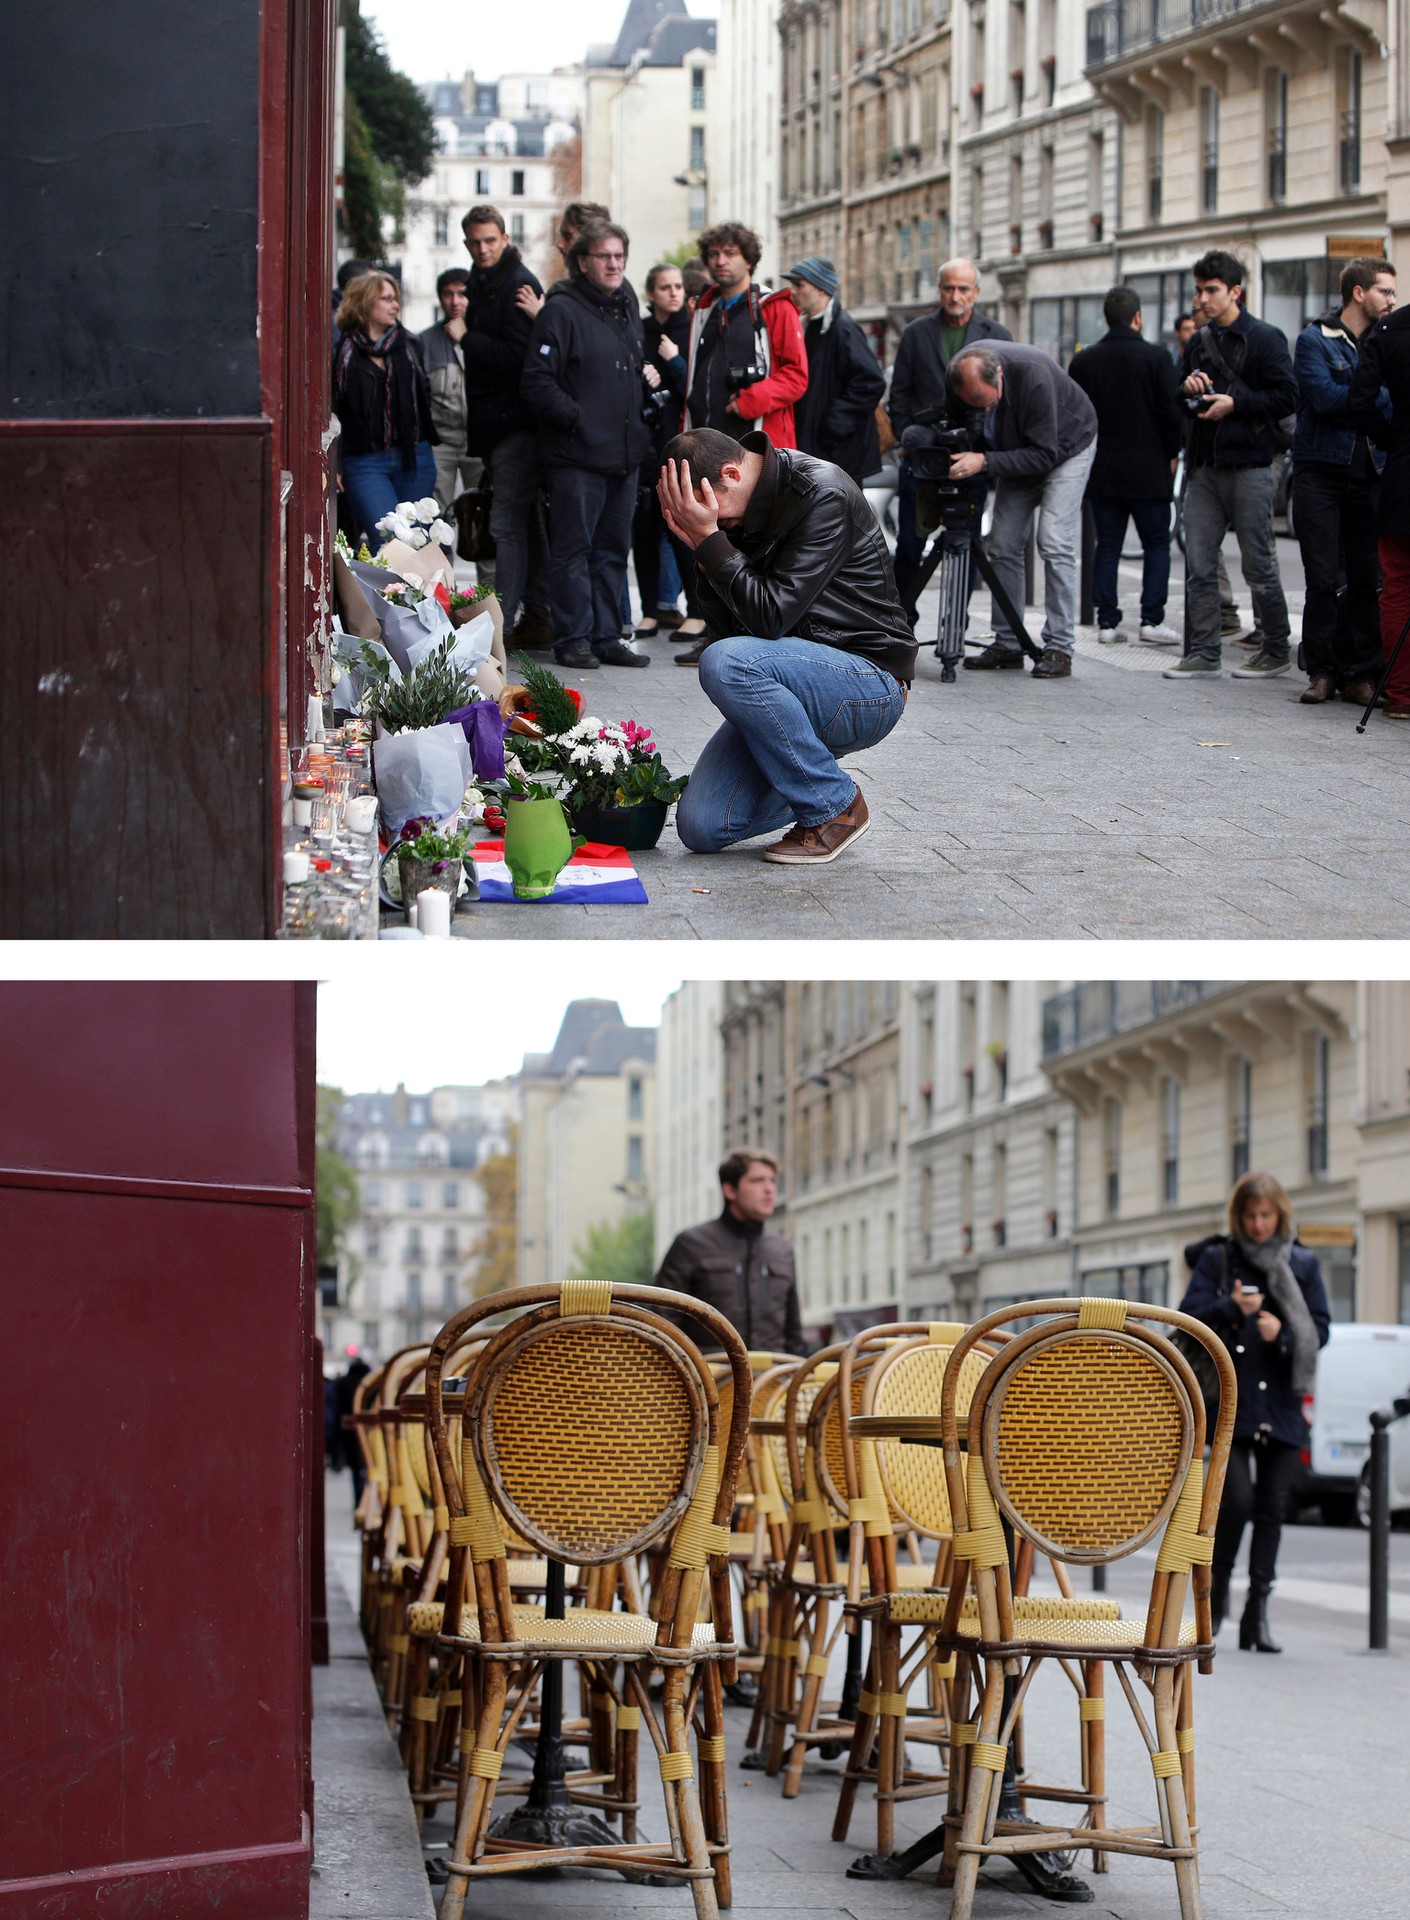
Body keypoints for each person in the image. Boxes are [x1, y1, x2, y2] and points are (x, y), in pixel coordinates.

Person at [657, 425, 915, 864]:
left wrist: (710, 541)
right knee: (701, 826)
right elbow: (730, 631)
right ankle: (809, 775)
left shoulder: (821, 494)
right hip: (792, 679)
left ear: (731, 474)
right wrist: (706, 558)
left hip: (867, 681)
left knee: (724, 662)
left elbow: (770, 618)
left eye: (713, 513)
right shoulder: (735, 511)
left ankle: (835, 807)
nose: (716, 525)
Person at [1178, 1171, 1330, 1652]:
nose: (1259, 1224)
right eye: (1251, 1215)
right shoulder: (1219, 1259)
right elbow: (1188, 1317)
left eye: (1266, 1215)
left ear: (1280, 1214)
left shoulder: (1301, 1264)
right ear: (1239, 1217)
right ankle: (1217, 1598)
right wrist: (1231, 1307)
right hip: (1233, 1401)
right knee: (1236, 1502)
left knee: (1272, 1510)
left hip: (1282, 1403)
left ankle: (1256, 1615)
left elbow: (1320, 1329)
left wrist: (1281, 1336)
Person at [520, 219, 655, 671]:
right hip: (576, 456)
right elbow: (537, 383)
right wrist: (579, 419)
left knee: (614, 551)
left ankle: (606, 635)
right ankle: (573, 638)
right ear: (583, 262)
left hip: (623, 454)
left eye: (620, 256)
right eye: (605, 256)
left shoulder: (626, 303)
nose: (614, 264)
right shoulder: (561, 310)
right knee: (573, 550)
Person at [674, 222, 810, 663]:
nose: (720, 260)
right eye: (713, 253)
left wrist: (750, 399)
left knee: (755, 541)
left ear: (748, 258)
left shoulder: (774, 306)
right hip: (708, 442)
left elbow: (796, 375)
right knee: (706, 533)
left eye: (729, 252)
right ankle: (716, 629)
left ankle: (749, 631)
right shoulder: (705, 308)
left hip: (753, 446)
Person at [1164, 249, 1298, 681]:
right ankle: (1204, 651)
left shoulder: (1266, 338)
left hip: (1251, 465)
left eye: (1211, 291)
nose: (1201, 299)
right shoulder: (1198, 342)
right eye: (1199, 290)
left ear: (1235, 292)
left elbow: (1287, 397)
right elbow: (1182, 403)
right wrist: (1188, 390)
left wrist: (1235, 404)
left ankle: (1276, 648)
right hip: (1205, 465)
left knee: (1258, 562)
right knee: (1200, 562)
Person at [945, 343, 1098, 678]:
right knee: (1002, 544)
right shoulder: (958, 377)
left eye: (986, 403)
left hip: (1067, 448)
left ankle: (1060, 647)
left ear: (999, 376)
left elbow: (1044, 455)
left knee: (1054, 542)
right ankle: (1008, 642)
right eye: (973, 406)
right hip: (1013, 452)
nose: (982, 413)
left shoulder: (1034, 377)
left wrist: (984, 460)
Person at [1292, 257, 1396, 706]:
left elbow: (1393, 402)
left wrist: (1356, 397)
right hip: (1320, 472)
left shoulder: (1389, 342)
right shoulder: (1315, 338)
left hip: (1371, 473)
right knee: (1321, 577)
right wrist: (1366, 398)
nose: (1392, 300)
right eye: (1385, 291)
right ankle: (1320, 671)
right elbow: (1322, 396)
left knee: (1366, 578)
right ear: (1359, 293)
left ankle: (1360, 673)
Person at [887, 260, 1012, 609]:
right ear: (940, 289)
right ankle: (900, 629)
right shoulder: (916, 332)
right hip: (922, 456)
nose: (955, 296)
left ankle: (957, 624)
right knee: (910, 546)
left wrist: (986, 450)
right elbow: (899, 393)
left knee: (966, 546)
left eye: (963, 289)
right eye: (948, 288)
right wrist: (907, 437)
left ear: (976, 292)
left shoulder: (997, 335)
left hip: (969, 457)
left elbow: (1004, 399)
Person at [1067, 285, 1185, 644]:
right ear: (1138, 317)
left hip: (1103, 471)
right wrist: (1172, 453)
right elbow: (1171, 414)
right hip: (1149, 470)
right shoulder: (1157, 358)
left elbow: (1076, 416)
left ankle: (1107, 622)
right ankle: (1151, 620)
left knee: (1107, 546)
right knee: (1156, 544)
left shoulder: (1085, 361)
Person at [460, 203, 551, 647]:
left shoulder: (517, 283)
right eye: (475, 242)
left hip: (516, 424)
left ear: (505, 239)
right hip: (500, 425)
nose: (482, 248)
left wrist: (466, 338)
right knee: (522, 523)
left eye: (490, 240)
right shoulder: (484, 283)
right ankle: (533, 614)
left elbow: (519, 359)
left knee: (507, 524)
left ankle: (504, 620)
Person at [654, 1150, 802, 1355]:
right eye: (758, 1181)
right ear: (730, 1190)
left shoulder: (782, 1250)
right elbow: (662, 1322)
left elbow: (793, 1332)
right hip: (707, 1377)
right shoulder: (691, 1244)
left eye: (772, 1181)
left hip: (772, 1379)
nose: (769, 1189)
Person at [331, 270, 437, 552]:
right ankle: (389, 598)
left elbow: (423, 394)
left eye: (396, 299)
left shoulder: (410, 343)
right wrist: (336, 463)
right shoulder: (343, 351)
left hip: (413, 457)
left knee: (417, 543)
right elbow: (335, 408)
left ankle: (417, 598)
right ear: (365, 303)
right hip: (365, 461)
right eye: (387, 299)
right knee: (387, 543)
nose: (395, 305)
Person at [1350, 288, 1410, 718]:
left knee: (1398, 584)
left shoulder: (1389, 329)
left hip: (1404, 472)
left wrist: (1392, 439)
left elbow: (1360, 401)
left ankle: (1402, 692)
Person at [784, 256, 886, 485]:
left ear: (821, 290)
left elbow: (871, 382)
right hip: (822, 447)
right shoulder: (809, 325)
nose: (793, 291)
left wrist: (834, 424)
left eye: (800, 285)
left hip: (838, 452)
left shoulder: (843, 329)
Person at [633, 262, 693, 639]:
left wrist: (672, 361)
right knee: (644, 529)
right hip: (644, 442)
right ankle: (651, 610)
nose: (673, 292)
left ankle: (696, 610)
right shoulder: (638, 331)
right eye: (665, 287)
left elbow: (695, 386)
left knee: (682, 530)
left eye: (678, 286)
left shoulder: (691, 329)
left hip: (682, 442)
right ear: (651, 293)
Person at [419, 268, 477, 515]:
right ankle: (439, 555)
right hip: (440, 441)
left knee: (481, 512)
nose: (455, 301)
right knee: (435, 514)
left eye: (462, 294)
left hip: (478, 441)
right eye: (448, 294)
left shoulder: (485, 336)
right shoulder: (424, 341)